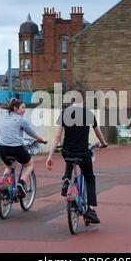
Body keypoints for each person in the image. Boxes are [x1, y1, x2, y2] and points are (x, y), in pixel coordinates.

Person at [45, 89, 108, 224]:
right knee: (90, 177)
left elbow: (57, 137)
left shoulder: (64, 113)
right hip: (83, 153)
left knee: (69, 154)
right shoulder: (88, 113)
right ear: (83, 100)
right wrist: (103, 143)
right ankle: (90, 210)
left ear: (71, 100)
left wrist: (49, 156)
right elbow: (98, 133)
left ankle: (67, 180)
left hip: (67, 152)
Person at [0, 98, 47, 197]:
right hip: (16, 149)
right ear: (15, 108)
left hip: (2, 149)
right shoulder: (21, 120)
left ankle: (3, 183)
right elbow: (31, 133)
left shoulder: (4, 117)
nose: (24, 110)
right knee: (29, 164)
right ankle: (21, 183)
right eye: (22, 108)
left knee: (9, 166)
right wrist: (41, 140)